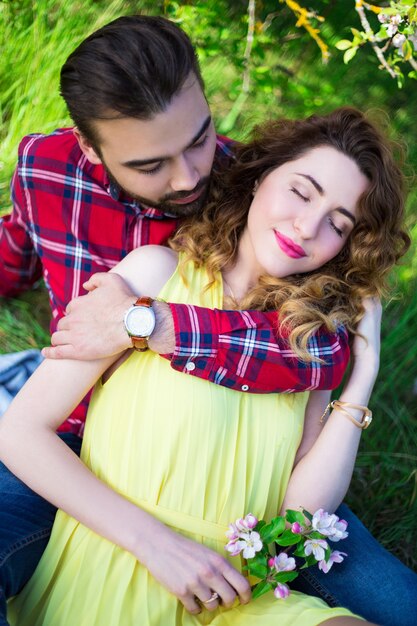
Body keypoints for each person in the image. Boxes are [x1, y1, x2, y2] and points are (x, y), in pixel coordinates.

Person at [0, 15, 415, 626]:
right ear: (89, 148)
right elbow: (18, 248)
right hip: (82, 449)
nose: (191, 176)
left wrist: (147, 324)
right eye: (151, 164)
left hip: (244, 519)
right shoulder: (46, 171)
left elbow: (312, 352)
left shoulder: (241, 189)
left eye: (199, 139)